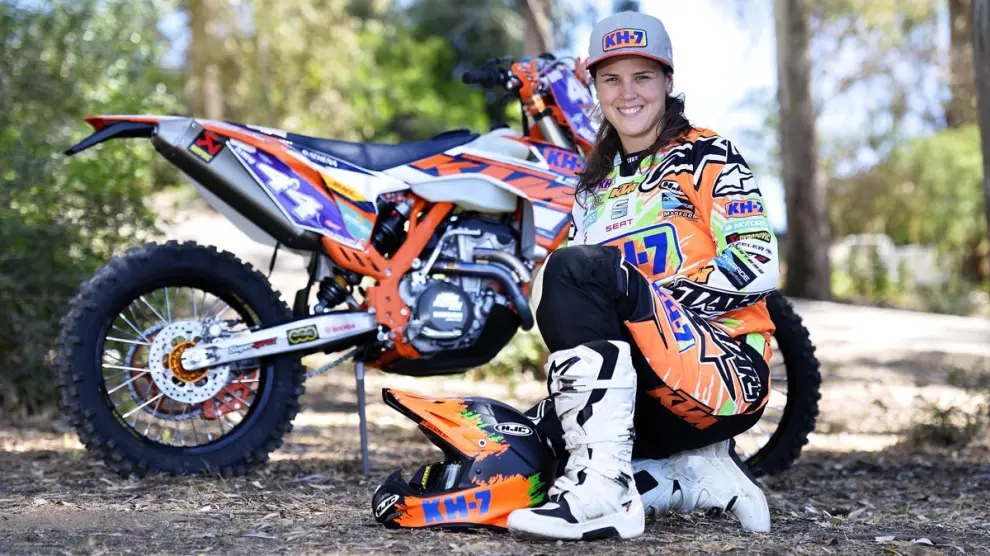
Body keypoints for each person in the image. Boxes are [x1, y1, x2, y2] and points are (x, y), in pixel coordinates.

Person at [506, 11, 780, 540]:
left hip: (724, 377)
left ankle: (607, 496)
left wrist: (654, 301)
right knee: (524, 450)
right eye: (611, 78)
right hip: (636, 392)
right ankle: (686, 478)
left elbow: (758, 260)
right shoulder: (593, 190)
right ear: (596, 88)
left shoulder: (707, 154)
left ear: (667, 82)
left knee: (575, 267)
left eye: (643, 76)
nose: (627, 93)